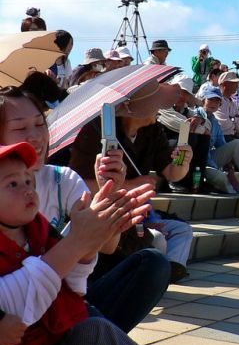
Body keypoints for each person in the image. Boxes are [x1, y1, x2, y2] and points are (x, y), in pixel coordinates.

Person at [0, 80, 170, 334]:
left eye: (39, 124)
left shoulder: (63, 179)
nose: (35, 136)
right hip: (14, 314)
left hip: (67, 299)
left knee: (152, 264)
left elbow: (107, 247)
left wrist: (109, 194)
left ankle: (96, 344)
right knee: (94, 329)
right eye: (20, 128)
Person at [69, 83, 195, 283]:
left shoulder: (153, 130)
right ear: (137, 107)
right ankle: (150, 279)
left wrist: (183, 162)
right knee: (157, 240)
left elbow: (173, 173)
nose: (159, 111)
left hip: (139, 210)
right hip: (104, 209)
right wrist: (130, 185)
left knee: (181, 230)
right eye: (155, 105)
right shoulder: (97, 130)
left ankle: (169, 272)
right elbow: (79, 182)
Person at [196, 88, 239, 194]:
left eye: (217, 101)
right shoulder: (194, 115)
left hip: (210, 160)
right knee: (221, 178)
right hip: (197, 162)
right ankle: (233, 189)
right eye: (210, 100)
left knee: (238, 143)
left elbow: (223, 146)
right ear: (203, 100)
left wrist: (230, 169)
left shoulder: (215, 122)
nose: (214, 103)